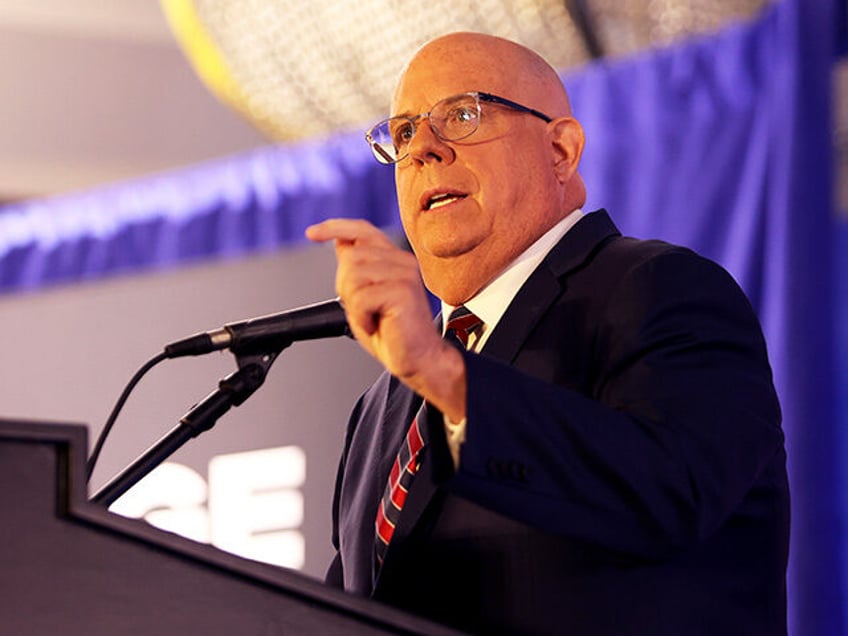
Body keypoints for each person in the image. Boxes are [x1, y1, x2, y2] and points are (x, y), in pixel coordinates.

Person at [306, 32, 789, 636]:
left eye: (461, 115)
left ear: (561, 150)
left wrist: (443, 375)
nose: (423, 149)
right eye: (403, 133)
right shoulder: (381, 406)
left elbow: (671, 494)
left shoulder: (664, 290)